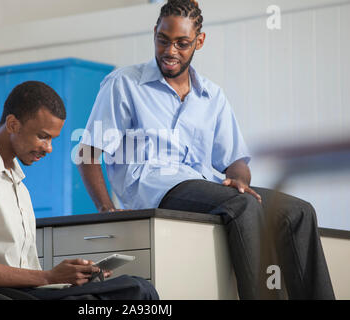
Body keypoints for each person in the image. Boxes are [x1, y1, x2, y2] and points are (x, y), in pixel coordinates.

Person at [77, 0, 335, 300]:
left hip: (204, 185)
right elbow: (88, 153)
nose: (170, 51)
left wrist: (239, 179)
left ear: (199, 41)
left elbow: (235, 160)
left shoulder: (212, 95)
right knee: (243, 205)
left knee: (299, 212)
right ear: (154, 33)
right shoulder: (124, 83)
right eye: (162, 40)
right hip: (154, 187)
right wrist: (106, 209)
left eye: (182, 43)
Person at [0, 81, 158, 300]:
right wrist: (49, 277)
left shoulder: (15, 181)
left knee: (135, 288)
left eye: (52, 139)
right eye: (43, 137)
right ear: (13, 124)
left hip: (27, 291)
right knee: (135, 290)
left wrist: (67, 278)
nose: (48, 148)